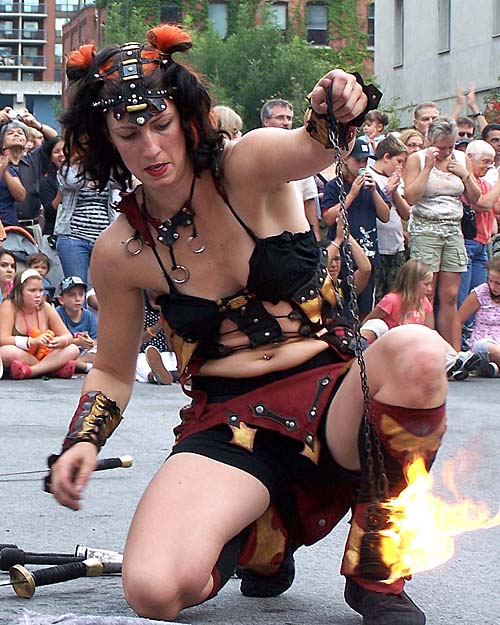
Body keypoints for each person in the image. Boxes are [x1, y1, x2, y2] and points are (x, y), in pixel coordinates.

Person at [49, 25, 449, 625]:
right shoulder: (118, 250)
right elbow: (110, 369)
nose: (152, 148)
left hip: (332, 390)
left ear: (186, 118)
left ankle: (377, 571)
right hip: (232, 421)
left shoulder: (247, 166)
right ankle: (262, 541)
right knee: (155, 591)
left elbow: (312, 146)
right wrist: (82, 440)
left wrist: (336, 99)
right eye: (129, 134)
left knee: (417, 351)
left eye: (161, 125)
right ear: (107, 139)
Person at [404, 116, 481, 347]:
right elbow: (410, 197)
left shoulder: (461, 159)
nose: (447, 151)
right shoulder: (416, 159)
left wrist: (465, 174)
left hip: (453, 229)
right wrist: (428, 167)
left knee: (450, 295)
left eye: (451, 146)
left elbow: (477, 198)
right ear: (430, 141)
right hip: (425, 228)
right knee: (426, 292)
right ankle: (427, 348)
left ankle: (451, 351)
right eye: (442, 147)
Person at [321, 137, 390, 317]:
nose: (362, 165)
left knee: (365, 307)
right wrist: (350, 195)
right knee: (342, 306)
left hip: (368, 255)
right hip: (342, 257)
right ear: (345, 159)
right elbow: (328, 218)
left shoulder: (370, 185)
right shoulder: (334, 186)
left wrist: (374, 191)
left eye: (365, 161)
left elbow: (385, 216)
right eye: (358, 160)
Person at [0, 268, 79, 379]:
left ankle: (31, 371)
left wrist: (61, 341)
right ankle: (52, 369)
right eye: (32, 291)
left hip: (45, 355)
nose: (38, 295)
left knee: (73, 349)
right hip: (23, 355)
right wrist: (30, 342)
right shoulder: (9, 305)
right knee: (5, 352)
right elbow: (3, 339)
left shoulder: (46, 307)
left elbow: (68, 336)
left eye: (41, 290)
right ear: (19, 291)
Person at [261, 98, 321, 239]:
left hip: (298, 235)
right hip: (266, 233)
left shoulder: (301, 155)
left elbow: (309, 199)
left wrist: (316, 236)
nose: (286, 122)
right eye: (280, 117)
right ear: (266, 121)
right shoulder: (255, 152)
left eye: (289, 118)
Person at [458, 140, 500, 308]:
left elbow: (496, 206)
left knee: (479, 292)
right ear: (470, 158)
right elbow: (482, 204)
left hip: (482, 244)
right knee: (462, 293)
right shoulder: (465, 181)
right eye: (485, 161)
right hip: (467, 242)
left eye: (491, 162)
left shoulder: (486, 183)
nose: (489, 166)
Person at [367, 135, 410, 301]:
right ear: (386, 157)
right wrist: (386, 190)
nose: (401, 167)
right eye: (398, 161)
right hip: (377, 246)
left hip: (396, 245)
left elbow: (406, 214)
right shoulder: (369, 175)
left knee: (395, 296)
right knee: (376, 297)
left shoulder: (397, 179)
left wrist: (395, 191)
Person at [455, 256, 500, 377]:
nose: (493, 287)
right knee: (483, 346)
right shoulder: (481, 292)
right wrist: (457, 354)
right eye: (490, 281)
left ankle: (493, 369)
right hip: (484, 344)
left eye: (498, 283)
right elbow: (458, 320)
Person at [56, 276, 98, 374]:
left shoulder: (88, 315)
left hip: (85, 353)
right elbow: (56, 341)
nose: (78, 299)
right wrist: (77, 342)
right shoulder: (57, 314)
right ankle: (84, 367)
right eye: (72, 295)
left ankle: (79, 364)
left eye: (81, 294)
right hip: (66, 351)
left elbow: (96, 340)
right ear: (61, 300)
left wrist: (90, 342)